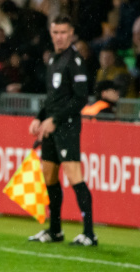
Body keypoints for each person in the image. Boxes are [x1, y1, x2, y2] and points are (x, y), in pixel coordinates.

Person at [28, 15, 97, 247]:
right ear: (51, 33)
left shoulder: (74, 61)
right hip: (51, 126)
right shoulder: (53, 60)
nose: (59, 37)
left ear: (71, 33)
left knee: (74, 175)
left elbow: (80, 99)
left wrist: (55, 120)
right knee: (49, 175)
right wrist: (39, 118)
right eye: (56, 32)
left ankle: (89, 233)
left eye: (64, 33)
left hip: (66, 127)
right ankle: (55, 230)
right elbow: (52, 98)